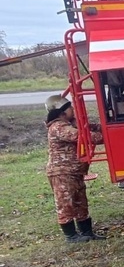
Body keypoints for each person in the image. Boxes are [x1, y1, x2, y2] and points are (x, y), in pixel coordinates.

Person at [45, 95, 105, 243]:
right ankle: (71, 236)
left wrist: (103, 127)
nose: (72, 109)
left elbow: (87, 127)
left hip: (75, 172)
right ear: (61, 112)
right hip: (62, 172)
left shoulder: (70, 123)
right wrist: (104, 137)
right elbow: (82, 136)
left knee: (80, 203)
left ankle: (87, 232)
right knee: (66, 204)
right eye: (69, 108)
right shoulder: (58, 127)